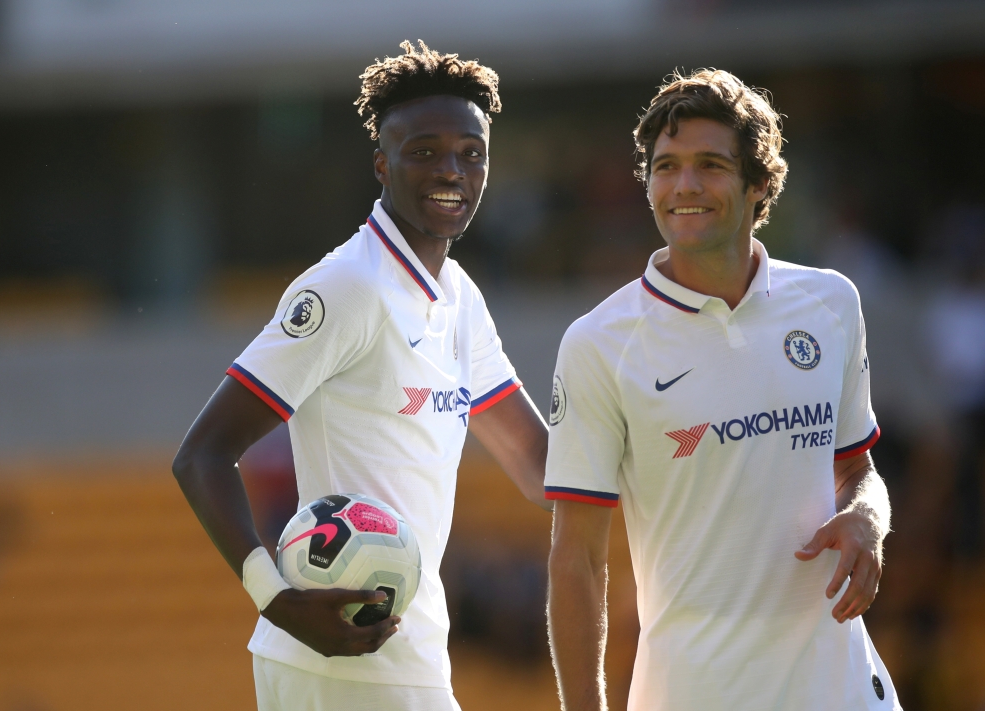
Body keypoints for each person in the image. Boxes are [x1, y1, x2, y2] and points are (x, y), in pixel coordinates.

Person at [172, 40, 550, 711]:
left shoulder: (459, 296)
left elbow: (539, 464)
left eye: (471, 153)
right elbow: (201, 454)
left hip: (409, 655)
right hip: (339, 659)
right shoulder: (348, 286)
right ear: (381, 163)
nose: (451, 170)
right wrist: (276, 599)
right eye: (424, 151)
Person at [545, 69, 899, 711]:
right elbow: (577, 561)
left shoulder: (831, 303)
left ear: (758, 182)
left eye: (709, 165)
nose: (684, 185)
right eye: (666, 167)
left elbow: (857, 469)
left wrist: (869, 520)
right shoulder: (599, 343)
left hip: (845, 690)